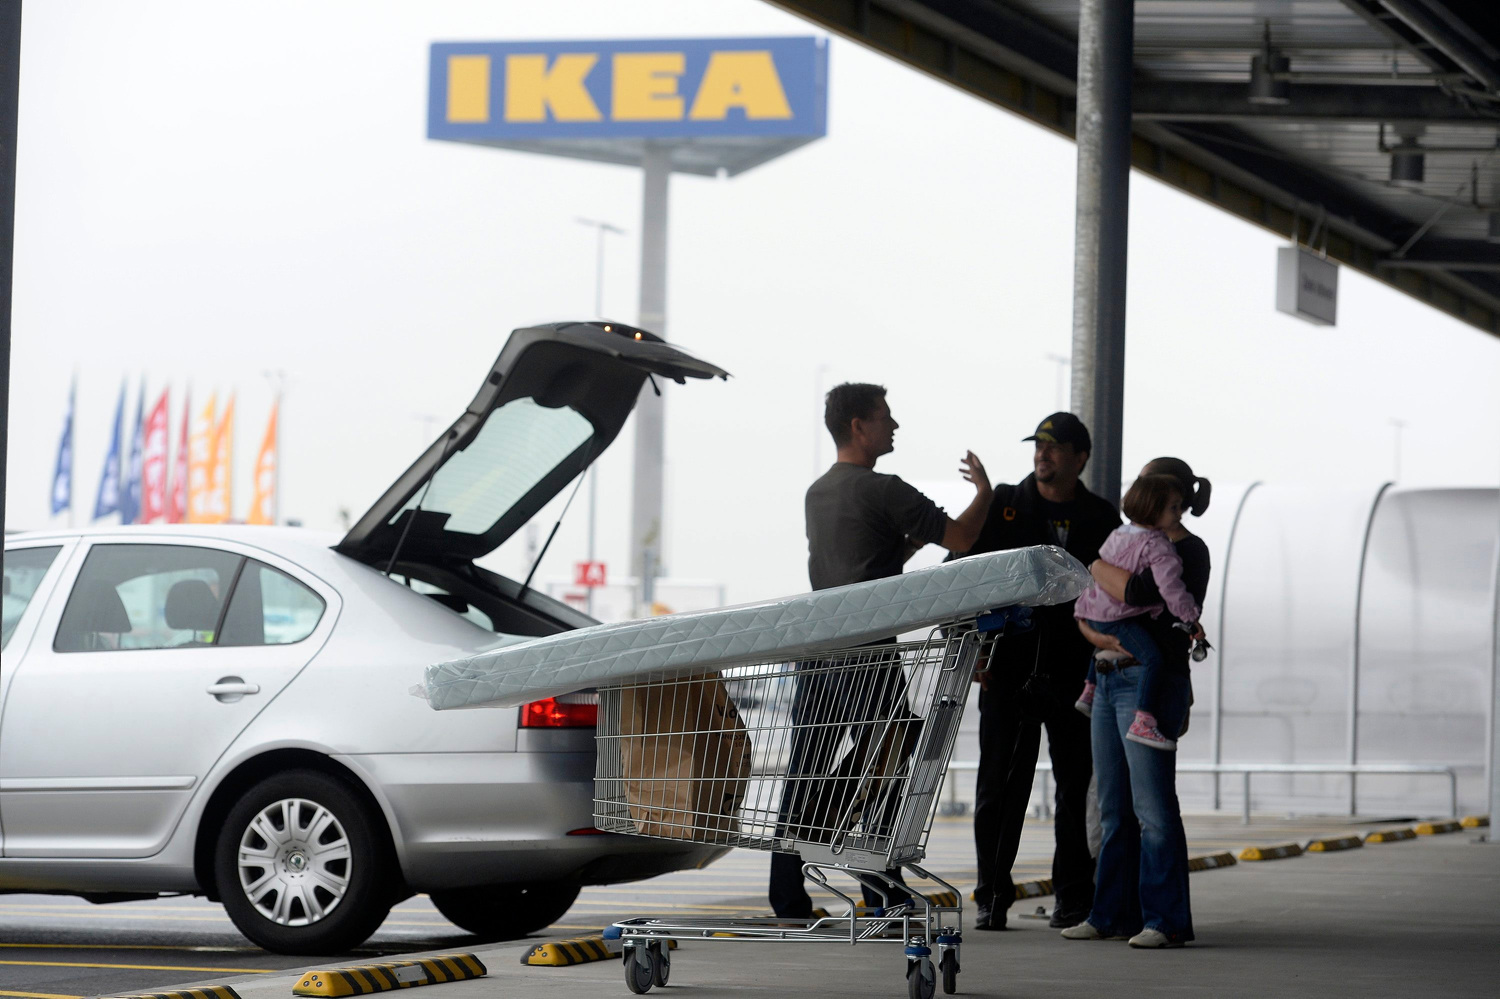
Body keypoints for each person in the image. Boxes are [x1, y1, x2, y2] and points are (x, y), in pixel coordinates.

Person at [769, 382, 994, 919]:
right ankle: (878, 880)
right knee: (891, 754)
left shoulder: (819, 492)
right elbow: (962, 538)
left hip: (818, 650)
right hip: (868, 654)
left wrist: (902, 545)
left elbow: (866, 562)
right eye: (885, 416)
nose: (894, 426)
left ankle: (789, 892)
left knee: (808, 765)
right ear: (858, 426)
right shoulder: (885, 489)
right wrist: (987, 492)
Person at [957, 412, 1120, 931]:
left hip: (1076, 670)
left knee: (1076, 785)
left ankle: (1073, 896)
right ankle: (991, 896)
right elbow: (963, 575)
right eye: (1038, 445)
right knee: (999, 786)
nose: (1042, 454)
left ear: (1080, 457)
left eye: (1054, 446)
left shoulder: (1101, 517)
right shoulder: (1007, 504)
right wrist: (971, 649)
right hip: (1007, 667)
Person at [1063, 457, 1210, 949]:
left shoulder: (1185, 550)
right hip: (1107, 676)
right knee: (1114, 809)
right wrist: (1095, 626)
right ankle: (1110, 913)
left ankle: (1165, 920)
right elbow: (1097, 608)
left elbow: (1137, 591)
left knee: (1152, 809)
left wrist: (1097, 567)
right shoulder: (1134, 540)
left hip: (1146, 680)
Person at [1073, 474, 1203, 750]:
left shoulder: (1119, 534)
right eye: (1173, 507)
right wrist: (1190, 617)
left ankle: (1089, 689)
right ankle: (1143, 720)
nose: (1180, 513)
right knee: (1152, 659)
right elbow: (1170, 587)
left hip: (1093, 609)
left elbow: (1100, 565)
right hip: (1116, 616)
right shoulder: (1159, 546)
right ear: (1153, 509)